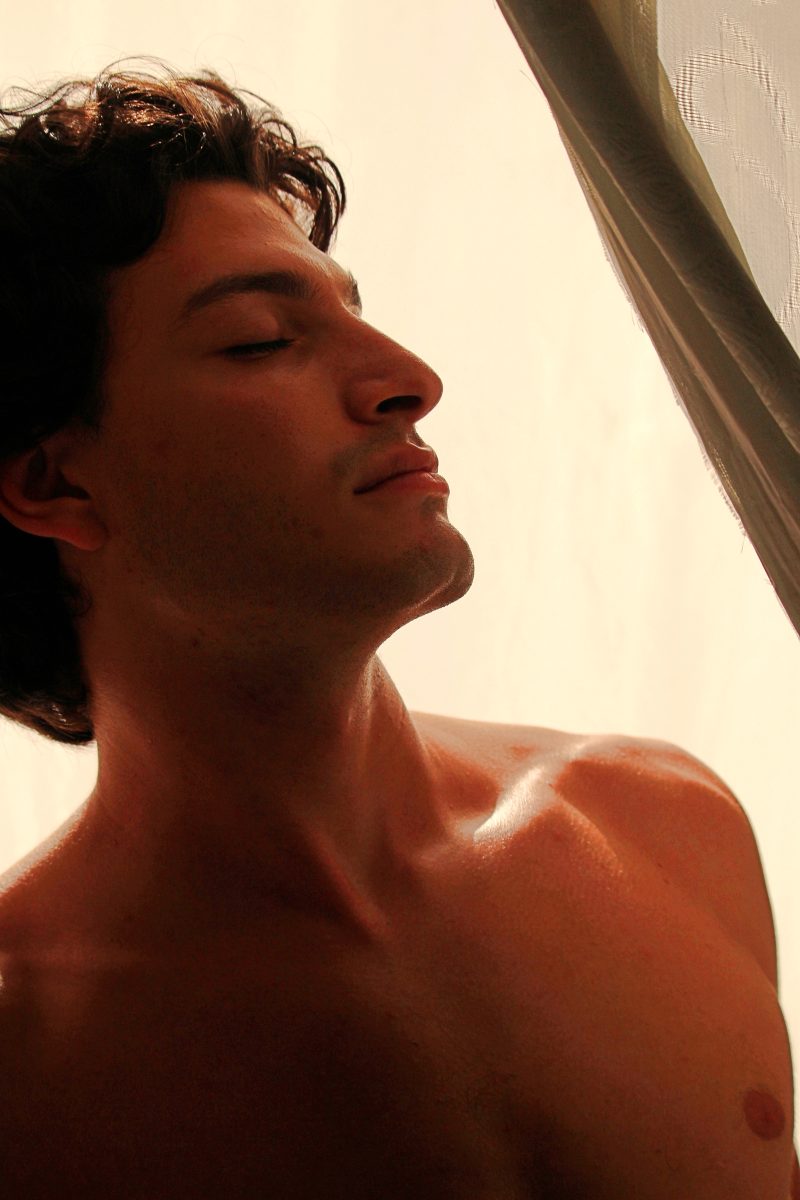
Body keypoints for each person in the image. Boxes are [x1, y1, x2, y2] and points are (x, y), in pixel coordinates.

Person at [0, 57, 795, 1199]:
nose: (409, 379)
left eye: (353, 311)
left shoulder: (665, 826)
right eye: (260, 340)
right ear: (56, 485)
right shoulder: (31, 1072)